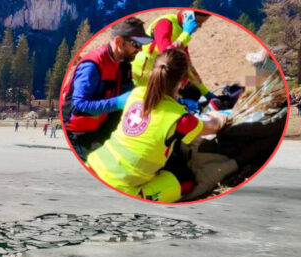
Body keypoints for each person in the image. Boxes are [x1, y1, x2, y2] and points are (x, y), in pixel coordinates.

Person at [86, 49, 227, 203]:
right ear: (184, 82)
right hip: (120, 188)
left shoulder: (136, 94)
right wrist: (221, 118)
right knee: (185, 179)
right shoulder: (180, 119)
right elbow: (214, 126)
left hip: (94, 165)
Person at [62, 17, 151, 159]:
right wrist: (118, 102)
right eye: (136, 44)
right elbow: (78, 106)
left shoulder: (124, 64)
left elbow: (129, 92)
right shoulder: (92, 66)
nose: (140, 49)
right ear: (119, 42)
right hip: (79, 134)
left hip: (102, 128)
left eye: (142, 44)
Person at [132, 10, 214, 104]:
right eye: (198, 22)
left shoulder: (180, 30)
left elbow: (187, 65)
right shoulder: (165, 23)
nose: (200, 26)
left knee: (194, 93)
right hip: (143, 73)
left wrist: (206, 93)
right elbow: (166, 54)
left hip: (159, 72)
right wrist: (186, 34)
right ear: (188, 15)